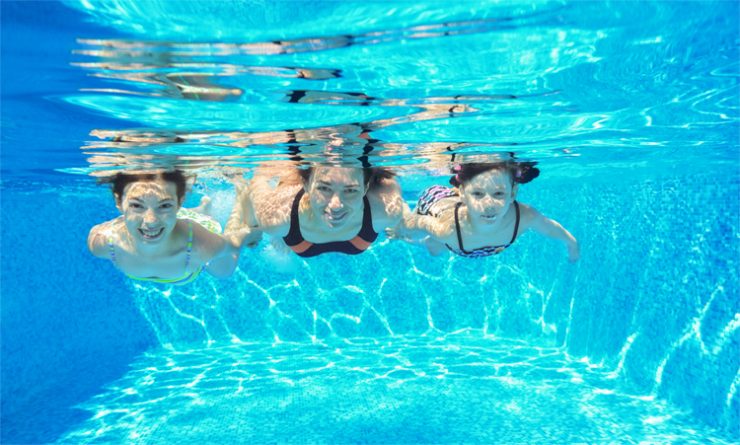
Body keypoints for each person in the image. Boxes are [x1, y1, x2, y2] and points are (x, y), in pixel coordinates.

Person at [87, 170, 254, 284]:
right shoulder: (103, 243)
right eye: (137, 206)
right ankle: (201, 207)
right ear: (118, 202)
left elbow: (234, 243)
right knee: (163, 218)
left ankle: (242, 193)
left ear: (180, 203)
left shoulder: (200, 246)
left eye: (165, 205)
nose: (150, 221)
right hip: (170, 224)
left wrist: (250, 233)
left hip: (194, 235)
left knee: (223, 272)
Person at [390, 162, 580, 261]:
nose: (489, 205)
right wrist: (399, 229)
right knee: (434, 248)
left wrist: (571, 242)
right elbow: (418, 222)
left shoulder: (524, 216)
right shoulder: (448, 229)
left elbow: (549, 228)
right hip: (437, 204)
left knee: (437, 247)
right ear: (463, 193)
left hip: (461, 237)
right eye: (478, 194)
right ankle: (404, 203)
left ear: (513, 192)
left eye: (498, 193)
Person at [234, 163, 404, 257]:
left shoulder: (387, 210)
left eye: (351, 190)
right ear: (306, 185)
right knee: (276, 229)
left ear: (366, 188)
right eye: (324, 188)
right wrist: (252, 225)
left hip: (296, 233)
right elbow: (255, 185)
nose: (336, 205)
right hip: (294, 225)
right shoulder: (276, 216)